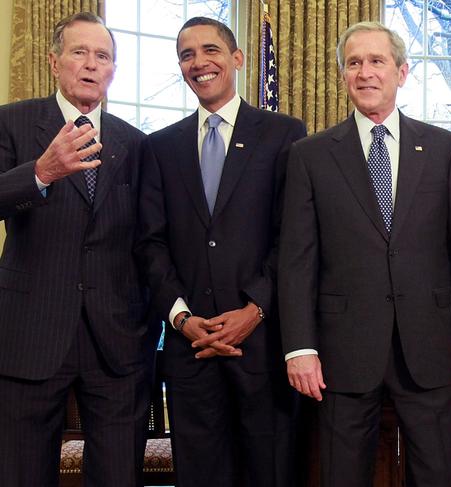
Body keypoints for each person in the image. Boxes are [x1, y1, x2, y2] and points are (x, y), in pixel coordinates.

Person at [278, 21, 451, 486]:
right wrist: (300, 346)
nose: (365, 72)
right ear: (341, 76)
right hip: (341, 349)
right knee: (342, 475)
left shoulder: (444, 149)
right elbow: (296, 262)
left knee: (435, 473)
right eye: (354, 63)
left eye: (377, 61)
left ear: (402, 71)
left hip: (430, 344)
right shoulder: (310, 155)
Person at [135, 17, 307, 487]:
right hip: (190, 349)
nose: (198, 62)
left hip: (263, 346)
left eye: (210, 50)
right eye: (186, 55)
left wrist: (255, 309)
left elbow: (292, 237)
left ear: (237, 59)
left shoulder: (284, 134)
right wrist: (181, 317)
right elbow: (151, 242)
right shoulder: (160, 146)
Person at [0, 12, 154, 487]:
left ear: (113, 69)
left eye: (102, 56)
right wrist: (41, 173)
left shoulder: (137, 144)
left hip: (118, 342)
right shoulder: (14, 123)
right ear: (53, 62)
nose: (91, 65)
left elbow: (150, 240)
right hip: (32, 336)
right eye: (79, 52)